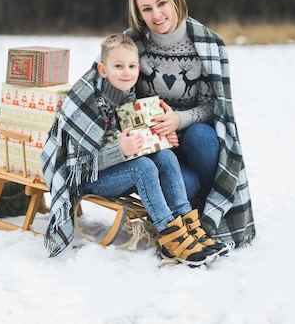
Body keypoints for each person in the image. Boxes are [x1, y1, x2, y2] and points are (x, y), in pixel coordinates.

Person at [41, 33, 225, 264]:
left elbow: (140, 140)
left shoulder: (128, 98)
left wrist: (162, 139)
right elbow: (79, 164)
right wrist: (120, 149)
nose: (126, 72)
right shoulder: (89, 102)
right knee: (143, 167)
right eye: (118, 66)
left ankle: (188, 224)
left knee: (165, 156)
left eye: (131, 66)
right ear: (103, 70)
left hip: (117, 170)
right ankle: (169, 235)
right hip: (89, 178)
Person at [125, 0, 256, 247]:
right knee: (185, 185)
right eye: (146, 9)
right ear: (138, 13)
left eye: (161, 4)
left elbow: (213, 107)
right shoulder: (131, 47)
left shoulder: (207, 45)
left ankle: (213, 212)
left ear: (175, 0)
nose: (156, 14)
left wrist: (178, 119)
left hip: (196, 139)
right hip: (159, 144)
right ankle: (186, 209)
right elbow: (120, 99)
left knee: (201, 136)